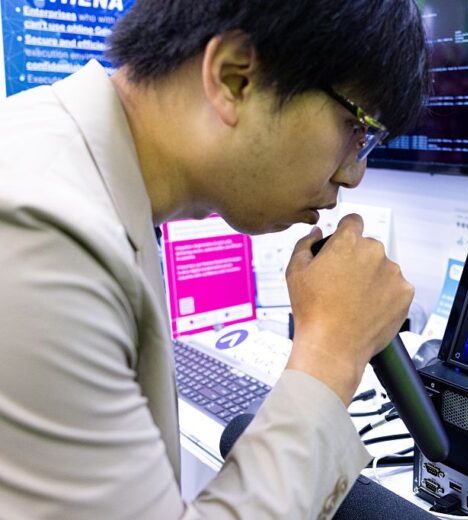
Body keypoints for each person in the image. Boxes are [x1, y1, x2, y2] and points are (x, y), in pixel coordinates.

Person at [0, 1, 428, 518]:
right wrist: (333, 350)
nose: (353, 175)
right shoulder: (44, 232)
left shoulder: (84, 180)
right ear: (234, 79)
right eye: (356, 128)